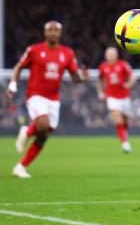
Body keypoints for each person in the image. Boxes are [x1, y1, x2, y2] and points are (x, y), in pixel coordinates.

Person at [8, 21, 88, 178]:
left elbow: (75, 78)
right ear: (45, 33)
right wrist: (12, 84)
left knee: (44, 135)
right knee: (43, 124)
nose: (52, 33)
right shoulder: (34, 50)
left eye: (56, 30)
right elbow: (18, 67)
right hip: (35, 95)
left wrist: (82, 78)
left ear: (60, 33)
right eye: (49, 30)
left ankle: (21, 166)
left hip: (53, 99)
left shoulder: (67, 53)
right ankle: (29, 130)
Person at [97, 46, 135, 153]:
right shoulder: (103, 67)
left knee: (125, 121)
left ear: (116, 55)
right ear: (105, 56)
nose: (111, 56)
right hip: (112, 97)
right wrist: (100, 92)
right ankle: (125, 143)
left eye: (112, 54)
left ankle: (124, 135)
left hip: (124, 97)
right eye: (109, 54)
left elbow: (132, 76)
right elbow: (99, 81)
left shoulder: (123, 65)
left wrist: (129, 83)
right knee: (118, 120)